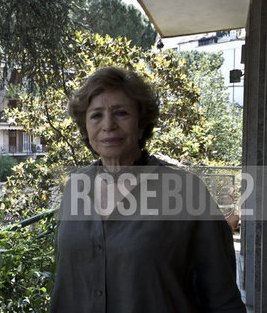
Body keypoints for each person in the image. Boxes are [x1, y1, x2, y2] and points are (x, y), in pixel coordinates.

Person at [49, 66, 246, 313]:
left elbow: (223, 300)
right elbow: (66, 286)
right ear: (86, 127)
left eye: (121, 113)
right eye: (96, 115)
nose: (108, 125)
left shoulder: (186, 192)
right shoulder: (76, 187)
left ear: (141, 124)